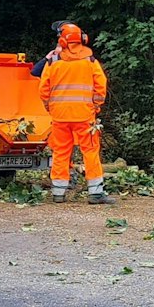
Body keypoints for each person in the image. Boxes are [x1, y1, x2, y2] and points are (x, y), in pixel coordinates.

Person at [39, 22, 113, 204]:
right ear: (82, 39)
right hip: (84, 116)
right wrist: (95, 106)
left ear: (62, 40)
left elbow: (43, 89)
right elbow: (100, 86)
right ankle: (95, 193)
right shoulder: (90, 62)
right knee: (90, 151)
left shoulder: (53, 62)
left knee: (61, 152)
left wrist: (50, 107)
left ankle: (58, 193)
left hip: (60, 116)